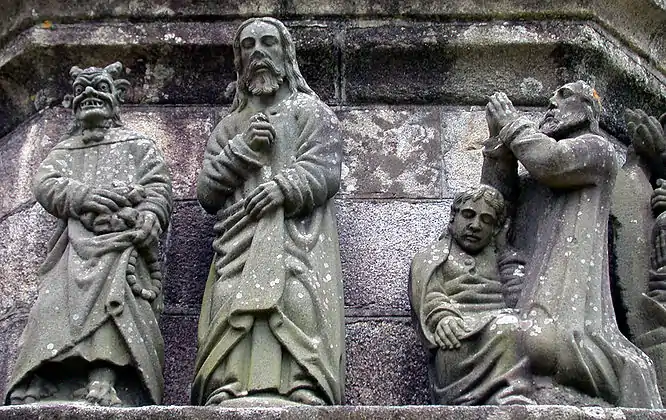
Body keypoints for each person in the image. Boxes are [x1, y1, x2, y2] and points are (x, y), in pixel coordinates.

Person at [192, 17, 344, 406]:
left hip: (295, 236)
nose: (258, 52)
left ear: (285, 53)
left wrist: (283, 187)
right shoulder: (228, 128)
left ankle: (303, 383)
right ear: (239, 62)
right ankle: (227, 383)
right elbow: (208, 191)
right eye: (248, 45)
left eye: (267, 43)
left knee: (296, 297)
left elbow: (326, 170)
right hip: (238, 237)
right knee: (230, 298)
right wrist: (242, 149)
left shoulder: (309, 111)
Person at [481, 81, 662, 407]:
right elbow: (497, 201)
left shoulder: (598, 152)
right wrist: (498, 149)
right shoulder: (535, 178)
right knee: (518, 339)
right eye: (553, 96)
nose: (552, 102)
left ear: (588, 111)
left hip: (570, 295)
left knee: (546, 342)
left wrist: (511, 125)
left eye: (563, 96)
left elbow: (552, 162)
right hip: (523, 287)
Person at [5, 62, 172, 406]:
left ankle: (103, 381)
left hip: (120, 246)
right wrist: (82, 195)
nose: (90, 96)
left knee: (115, 312)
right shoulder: (64, 151)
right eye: (81, 91)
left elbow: (158, 186)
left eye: (99, 89)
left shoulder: (138, 145)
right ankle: (41, 378)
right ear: (71, 103)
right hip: (74, 250)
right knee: (51, 309)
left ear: (116, 98)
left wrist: (150, 215)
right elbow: (45, 184)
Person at [410, 185, 533, 405]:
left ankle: (508, 396)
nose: (475, 225)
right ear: (452, 217)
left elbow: (518, 300)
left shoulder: (502, 260)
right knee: (509, 326)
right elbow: (430, 297)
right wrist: (443, 318)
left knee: (515, 327)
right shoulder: (433, 257)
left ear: (495, 229)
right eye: (468, 215)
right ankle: (506, 396)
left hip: (505, 335)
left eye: (486, 220)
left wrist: (505, 252)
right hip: (458, 341)